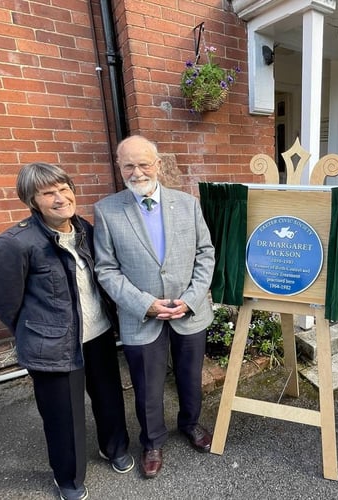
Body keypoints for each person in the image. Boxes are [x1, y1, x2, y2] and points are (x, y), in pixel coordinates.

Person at [0, 162, 132, 500]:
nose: (61, 198)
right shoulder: (15, 243)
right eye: (48, 193)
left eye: (64, 189)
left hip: (98, 335)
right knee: (63, 417)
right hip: (52, 346)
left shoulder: (85, 230)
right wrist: (37, 331)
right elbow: (3, 300)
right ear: (32, 201)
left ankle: (115, 447)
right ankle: (69, 478)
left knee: (109, 399)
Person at [93, 135, 215, 479]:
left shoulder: (188, 203)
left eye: (144, 163)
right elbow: (106, 268)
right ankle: (152, 441)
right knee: (147, 385)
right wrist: (145, 304)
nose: (137, 172)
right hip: (140, 317)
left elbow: (205, 253)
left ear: (158, 165)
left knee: (190, 377)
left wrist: (190, 300)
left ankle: (190, 424)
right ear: (119, 168)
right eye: (128, 165)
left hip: (188, 312)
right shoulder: (107, 210)